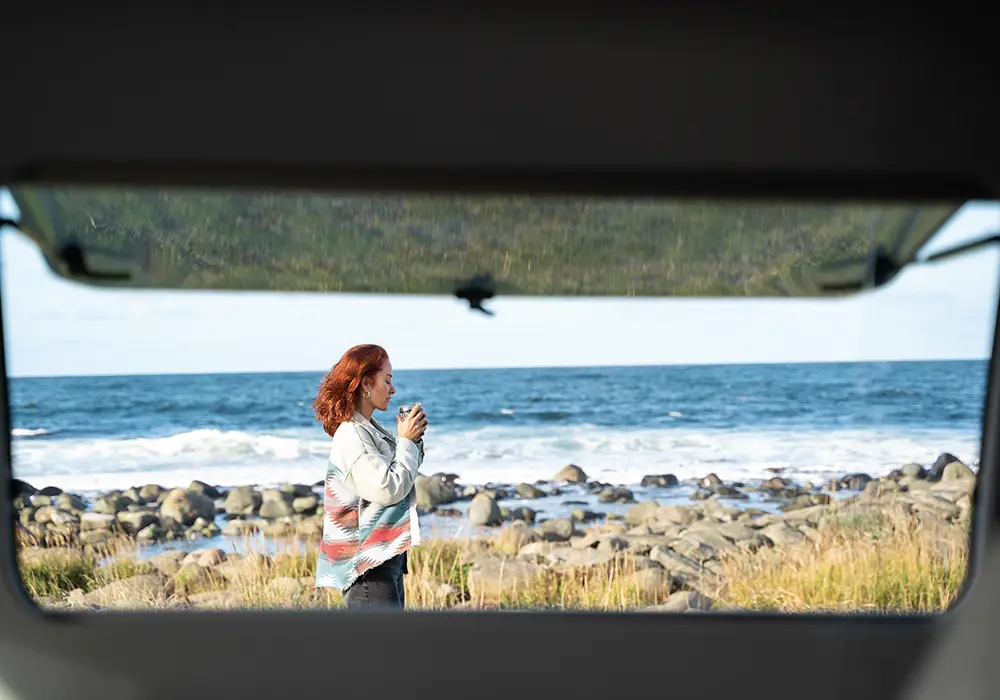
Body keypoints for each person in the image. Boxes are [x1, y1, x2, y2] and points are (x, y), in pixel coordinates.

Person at [312, 344, 428, 609]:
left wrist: (412, 441)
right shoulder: (352, 435)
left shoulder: (368, 430)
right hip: (367, 568)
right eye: (386, 380)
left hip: (382, 560)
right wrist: (406, 441)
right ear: (366, 383)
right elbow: (388, 489)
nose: (393, 388)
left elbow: (402, 474)